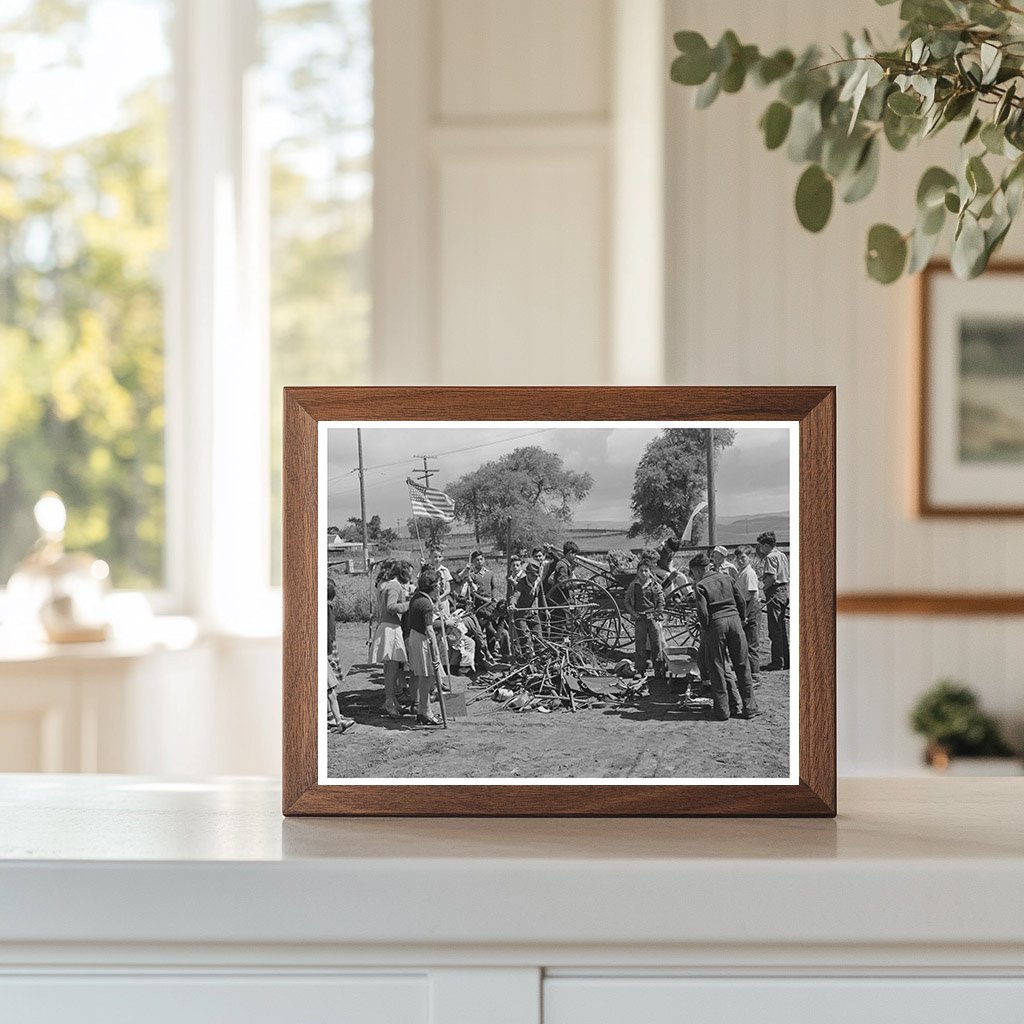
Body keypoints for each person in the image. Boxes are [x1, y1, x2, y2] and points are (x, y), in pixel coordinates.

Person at [689, 553, 758, 721]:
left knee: (717, 667)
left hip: (716, 625)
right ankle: (749, 708)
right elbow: (740, 600)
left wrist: (705, 628)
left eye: (693, 572)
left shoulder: (700, 585)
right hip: (734, 621)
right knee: (742, 664)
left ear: (699, 570)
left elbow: (703, 612)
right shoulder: (727, 578)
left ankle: (723, 711)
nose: (694, 576)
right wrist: (741, 619)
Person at [370, 560, 413, 719]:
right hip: (390, 628)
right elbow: (391, 607)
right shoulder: (394, 586)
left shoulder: (388, 585)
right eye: (408, 572)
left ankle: (393, 700)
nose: (410, 576)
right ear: (402, 572)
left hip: (388, 626)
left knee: (391, 670)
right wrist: (409, 604)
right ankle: (389, 701)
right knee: (392, 670)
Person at [406, 568, 443, 726]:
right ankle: (426, 712)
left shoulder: (417, 597)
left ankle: (423, 710)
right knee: (427, 676)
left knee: (424, 676)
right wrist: (435, 651)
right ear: (434, 587)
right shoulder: (426, 603)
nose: (440, 587)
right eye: (439, 585)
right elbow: (429, 629)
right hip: (422, 640)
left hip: (415, 637)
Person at [624, 561, 667, 680]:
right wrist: (634, 614)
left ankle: (658, 671)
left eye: (646, 570)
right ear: (637, 572)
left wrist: (657, 613)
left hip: (652, 618)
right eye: (641, 570)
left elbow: (661, 600)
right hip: (640, 618)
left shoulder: (655, 585)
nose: (643, 573)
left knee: (656, 645)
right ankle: (640, 670)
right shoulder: (633, 586)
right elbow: (627, 601)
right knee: (640, 645)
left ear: (650, 572)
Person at [757, 530, 790, 671]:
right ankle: (786, 659)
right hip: (784, 591)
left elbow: (771, 577)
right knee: (781, 628)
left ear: (765, 545)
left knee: (774, 629)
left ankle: (778, 662)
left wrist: (764, 588)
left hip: (775, 592)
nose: (760, 549)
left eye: (761, 546)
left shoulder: (770, 557)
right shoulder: (782, 555)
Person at [326, 579, 355, 733]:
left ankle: (333, 717)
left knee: (329, 689)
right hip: (325, 649)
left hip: (325, 648)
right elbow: (329, 632)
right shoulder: (327, 609)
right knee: (330, 688)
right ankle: (335, 719)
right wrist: (329, 652)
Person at [734, 545, 761, 686]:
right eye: (738, 558)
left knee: (751, 644)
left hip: (750, 608)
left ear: (749, 558)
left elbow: (754, 597)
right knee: (745, 644)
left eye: (743, 557)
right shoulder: (741, 572)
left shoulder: (749, 573)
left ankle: (755, 677)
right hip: (744, 607)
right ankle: (748, 675)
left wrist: (745, 615)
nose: (740, 560)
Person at [543, 540, 579, 638]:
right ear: (569, 553)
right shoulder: (562, 565)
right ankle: (557, 646)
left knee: (563, 623)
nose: (575, 556)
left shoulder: (564, 563)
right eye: (574, 554)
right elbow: (562, 583)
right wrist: (575, 585)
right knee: (561, 624)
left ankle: (561, 644)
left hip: (563, 600)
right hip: (560, 600)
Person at [511, 559, 543, 659]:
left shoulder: (538, 582)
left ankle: (541, 658)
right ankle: (527, 660)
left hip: (532, 613)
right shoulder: (522, 583)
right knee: (525, 638)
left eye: (536, 576)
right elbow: (516, 594)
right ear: (527, 574)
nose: (534, 578)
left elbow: (542, 596)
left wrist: (545, 610)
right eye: (532, 575)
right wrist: (512, 604)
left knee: (539, 636)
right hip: (520, 614)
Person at [427, 545, 453, 616]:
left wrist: (439, 598)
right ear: (430, 557)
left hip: (443, 601)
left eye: (439, 557)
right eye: (435, 557)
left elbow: (448, 589)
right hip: (430, 602)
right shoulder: (427, 570)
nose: (437, 559)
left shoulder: (445, 571)